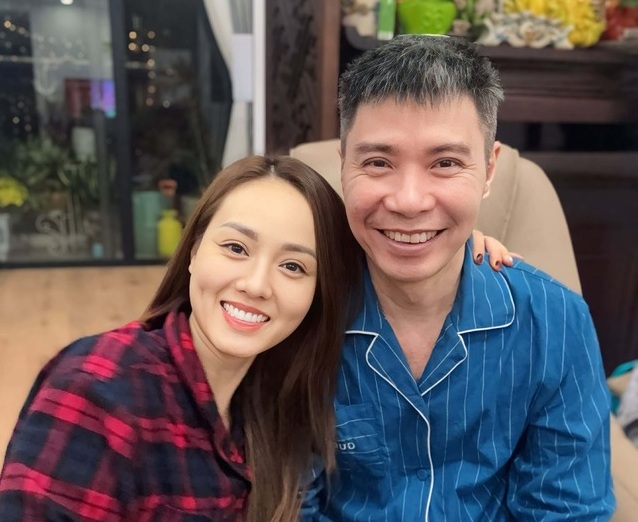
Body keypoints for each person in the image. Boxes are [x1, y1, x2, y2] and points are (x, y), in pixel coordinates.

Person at [308, 35, 615, 520]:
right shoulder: (301, 311)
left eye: (446, 163)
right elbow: (286, 499)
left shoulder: (554, 322)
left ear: (489, 169)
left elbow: (564, 509)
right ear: (344, 163)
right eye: (378, 163)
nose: (409, 201)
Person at [0, 155, 363, 521]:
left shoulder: (278, 405)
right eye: (236, 248)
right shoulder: (97, 391)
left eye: (293, 266)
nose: (256, 285)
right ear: (193, 251)